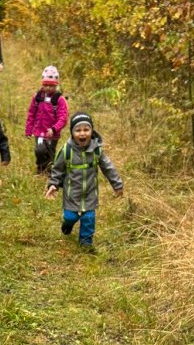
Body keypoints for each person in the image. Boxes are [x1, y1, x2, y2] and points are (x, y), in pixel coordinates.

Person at [45, 112, 124, 253]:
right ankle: (67, 224)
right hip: (72, 194)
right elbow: (57, 169)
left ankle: (86, 243)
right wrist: (53, 184)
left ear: (92, 131)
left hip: (90, 194)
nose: (82, 134)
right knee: (70, 217)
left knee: (89, 218)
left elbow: (108, 168)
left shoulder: (96, 150)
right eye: (78, 130)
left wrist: (117, 185)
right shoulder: (67, 150)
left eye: (86, 129)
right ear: (72, 132)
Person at [25, 65, 68, 173]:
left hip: (52, 134)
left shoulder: (59, 99)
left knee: (50, 153)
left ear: (56, 85)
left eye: (51, 85)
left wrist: (54, 129)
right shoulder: (38, 97)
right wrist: (29, 129)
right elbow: (31, 113)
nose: (48, 87)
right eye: (45, 85)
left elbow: (63, 118)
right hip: (39, 131)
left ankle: (50, 171)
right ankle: (41, 168)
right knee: (39, 150)